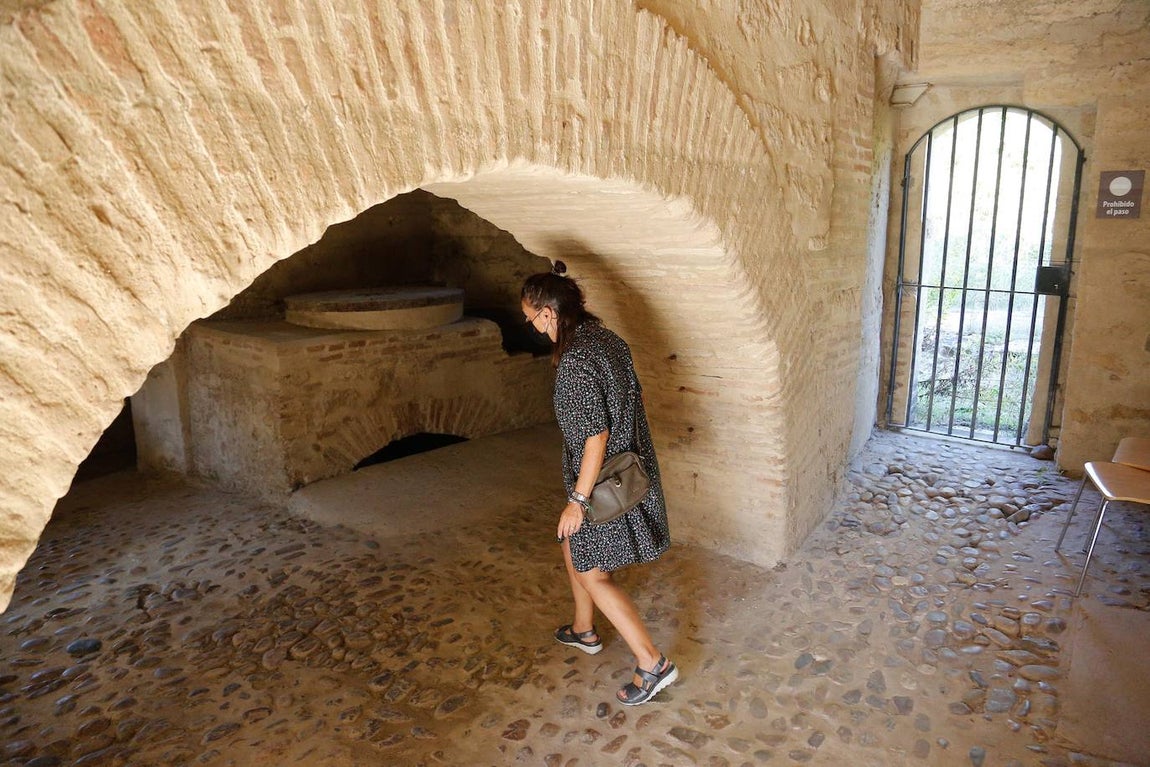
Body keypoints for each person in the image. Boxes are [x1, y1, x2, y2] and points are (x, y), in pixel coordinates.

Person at [520, 261, 677, 706]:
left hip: (601, 482)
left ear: (548, 314)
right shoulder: (607, 339)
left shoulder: (573, 363)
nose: (532, 328)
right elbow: (632, 399)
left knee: (592, 571)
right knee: (573, 547)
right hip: (629, 467)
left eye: (531, 319)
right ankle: (584, 629)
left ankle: (652, 663)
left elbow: (595, 437)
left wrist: (577, 500)